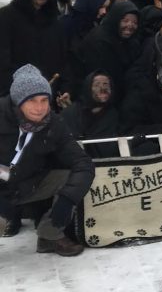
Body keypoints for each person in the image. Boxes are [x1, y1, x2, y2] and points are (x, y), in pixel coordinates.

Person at [0, 64, 94, 256]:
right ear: (18, 101)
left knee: (71, 178)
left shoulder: (53, 123)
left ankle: (49, 236)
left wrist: (67, 200)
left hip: (27, 184)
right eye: (32, 100)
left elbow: (83, 164)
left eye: (44, 100)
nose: (40, 107)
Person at [0, 0, 68, 97]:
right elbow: (3, 63)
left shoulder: (54, 20)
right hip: (16, 97)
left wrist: (66, 88)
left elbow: (64, 59)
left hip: (50, 95)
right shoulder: (6, 18)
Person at [77, 1, 141, 102]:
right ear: (116, 19)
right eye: (125, 20)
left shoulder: (130, 42)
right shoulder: (100, 41)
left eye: (135, 22)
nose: (130, 25)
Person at [60, 71, 125, 159]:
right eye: (97, 85)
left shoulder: (115, 115)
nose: (102, 88)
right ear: (88, 88)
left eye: (106, 84)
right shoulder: (71, 113)